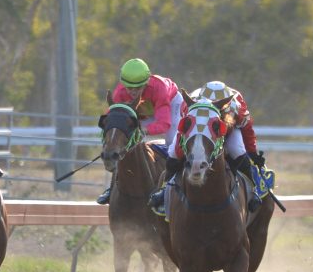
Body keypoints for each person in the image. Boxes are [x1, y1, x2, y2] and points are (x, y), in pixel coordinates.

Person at [148, 80, 273, 217]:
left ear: (225, 107)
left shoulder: (237, 108)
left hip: (226, 130)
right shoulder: (190, 105)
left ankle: (253, 191)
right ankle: (165, 189)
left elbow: (247, 131)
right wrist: (179, 153)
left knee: (237, 150)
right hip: (197, 128)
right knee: (173, 152)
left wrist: (253, 153)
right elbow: (183, 133)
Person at [96, 58, 185, 205]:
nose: (132, 92)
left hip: (171, 105)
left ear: (146, 82)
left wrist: (143, 132)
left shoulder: (159, 88)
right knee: (123, 143)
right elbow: (113, 119)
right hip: (146, 110)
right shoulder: (120, 93)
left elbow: (164, 124)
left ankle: (171, 188)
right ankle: (112, 188)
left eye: (137, 88)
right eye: (129, 87)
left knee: (173, 145)